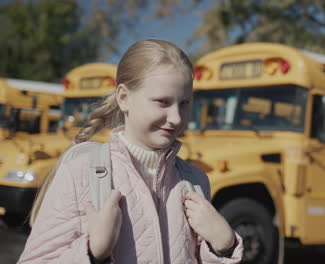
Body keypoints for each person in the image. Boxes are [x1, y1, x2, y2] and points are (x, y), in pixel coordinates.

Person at [18, 39, 243, 264]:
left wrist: (223, 246)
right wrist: (93, 251)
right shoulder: (80, 172)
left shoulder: (196, 181)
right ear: (124, 98)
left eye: (184, 103)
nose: (176, 118)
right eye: (162, 102)